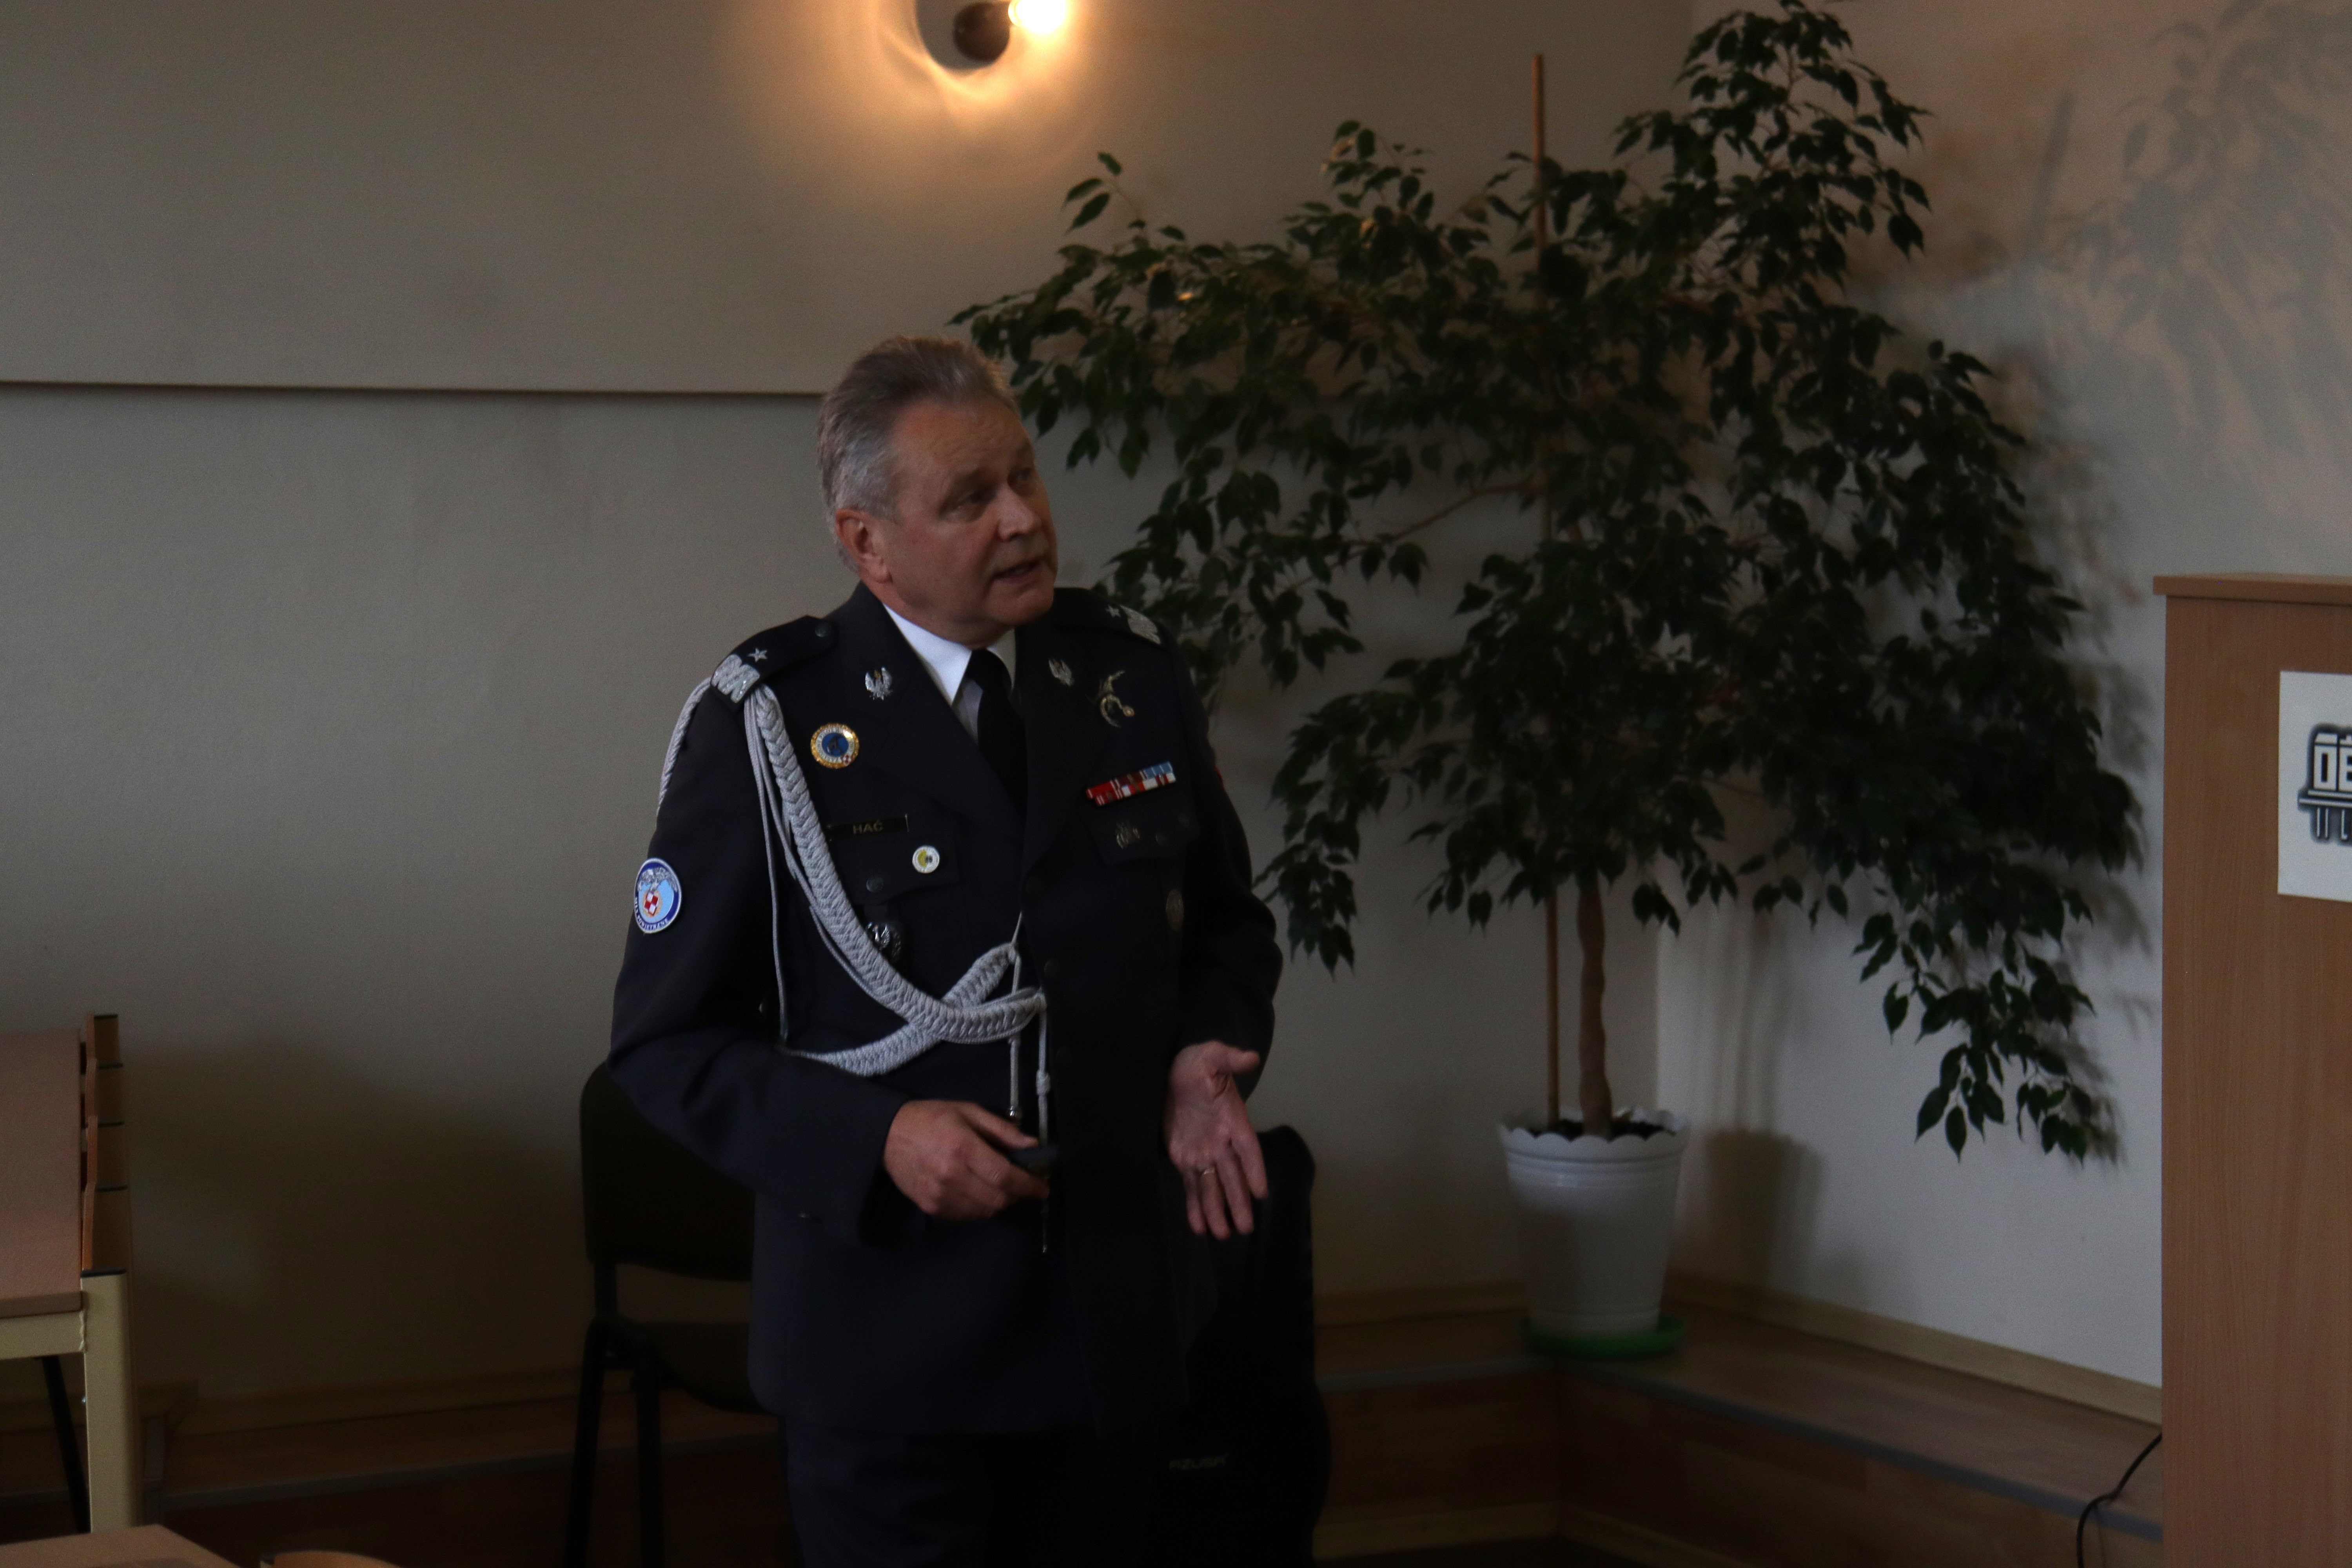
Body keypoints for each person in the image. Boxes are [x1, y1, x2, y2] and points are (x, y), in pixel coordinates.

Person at [608, 335, 1283, 1567]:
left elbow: (1226, 927)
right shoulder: (773, 721)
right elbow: (667, 1046)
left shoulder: (1127, 675)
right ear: (868, 543)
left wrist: (1203, 1054)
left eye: (1023, 477)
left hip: (1108, 1325)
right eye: (971, 500)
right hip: (890, 1350)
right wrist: (878, 1139)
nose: (1022, 518)